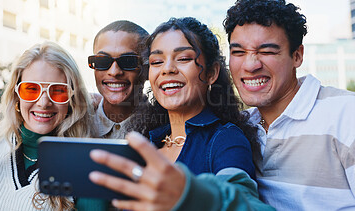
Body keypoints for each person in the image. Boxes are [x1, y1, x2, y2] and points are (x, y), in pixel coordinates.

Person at [88, 17, 275, 211]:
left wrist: (191, 195)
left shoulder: (226, 139)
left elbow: (247, 202)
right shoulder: (149, 139)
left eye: (184, 58)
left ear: (211, 73)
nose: (168, 69)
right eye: (157, 61)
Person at [223, 0, 355, 210]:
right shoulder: (238, 128)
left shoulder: (347, 114)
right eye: (238, 52)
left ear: (297, 56)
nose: (250, 65)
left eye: (267, 52)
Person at [0, 42, 93, 210]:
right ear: (16, 95)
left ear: (72, 99)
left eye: (58, 91)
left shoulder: (85, 166)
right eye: (31, 89)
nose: (43, 103)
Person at [88, 20, 150, 138]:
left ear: (148, 69)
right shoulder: (71, 121)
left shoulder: (167, 129)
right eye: (102, 61)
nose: (114, 72)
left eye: (128, 61)